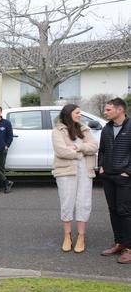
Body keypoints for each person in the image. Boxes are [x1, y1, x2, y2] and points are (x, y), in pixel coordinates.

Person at [52, 104, 98, 253]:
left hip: (85, 170)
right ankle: (67, 236)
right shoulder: (58, 131)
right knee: (67, 202)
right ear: (68, 113)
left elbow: (94, 146)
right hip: (66, 171)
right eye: (77, 113)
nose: (80, 115)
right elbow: (61, 151)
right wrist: (81, 152)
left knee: (83, 202)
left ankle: (81, 236)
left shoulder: (84, 129)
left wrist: (78, 148)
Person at [97, 97, 131, 263]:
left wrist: (128, 172)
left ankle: (129, 248)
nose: (105, 112)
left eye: (109, 109)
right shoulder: (107, 128)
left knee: (125, 211)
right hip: (108, 176)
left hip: (125, 178)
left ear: (120, 110)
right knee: (113, 210)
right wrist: (101, 166)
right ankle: (119, 243)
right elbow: (102, 150)